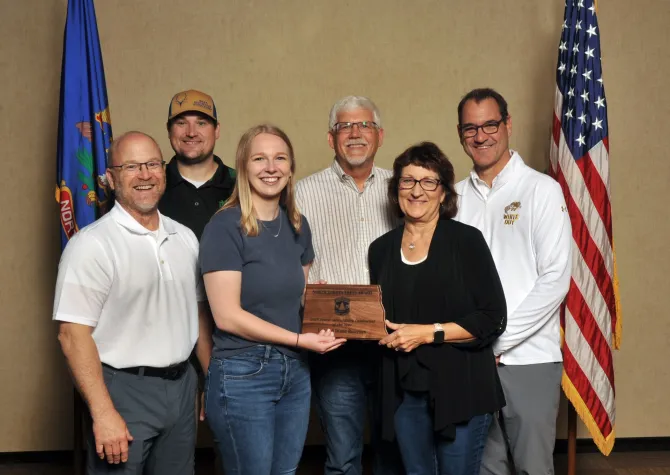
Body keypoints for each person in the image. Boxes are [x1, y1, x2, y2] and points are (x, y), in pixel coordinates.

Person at [54, 131, 209, 474]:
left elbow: (197, 315)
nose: (145, 174)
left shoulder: (184, 238)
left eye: (153, 164)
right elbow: (71, 335)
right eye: (131, 166)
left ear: (163, 171)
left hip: (182, 388)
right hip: (122, 392)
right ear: (110, 178)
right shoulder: (91, 245)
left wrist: (210, 379)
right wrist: (103, 412)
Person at [199, 124, 347, 475]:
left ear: (290, 167)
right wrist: (299, 339)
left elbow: (297, 301)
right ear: (244, 166)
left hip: (295, 372)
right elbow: (226, 317)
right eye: (259, 158)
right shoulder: (224, 227)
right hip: (241, 372)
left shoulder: (298, 224)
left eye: (280, 158)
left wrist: (319, 302)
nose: (271, 167)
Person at [368, 141, 507, 475]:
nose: (417, 191)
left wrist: (429, 334)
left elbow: (492, 317)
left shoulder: (466, 241)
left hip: (461, 390)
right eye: (408, 181)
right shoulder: (381, 250)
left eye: (428, 182)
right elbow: (380, 318)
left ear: (444, 193)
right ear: (396, 189)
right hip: (404, 394)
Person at [454, 88, 572, 475]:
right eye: (471, 128)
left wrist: (498, 340)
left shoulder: (540, 189)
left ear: (507, 124)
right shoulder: (452, 199)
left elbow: (555, 278)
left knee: (532, 468)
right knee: (484, 467)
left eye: (490, 124)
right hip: (471, 361)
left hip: (529, 359)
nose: (481, 135)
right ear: (460, 134)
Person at [296, 96, 401, 475]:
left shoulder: (402, 187)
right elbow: (292, 263)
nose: (355, 134)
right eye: (345, 126)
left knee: (396, 454)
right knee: (343, 460)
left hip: (395, 343)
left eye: (364, 125)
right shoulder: (303, 192)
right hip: (335, 345)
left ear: (380, 135)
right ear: (330, 138)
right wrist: (306, 286)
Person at [159, 89, 236, 240]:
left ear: (217, 130)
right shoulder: (153, 185)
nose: (191, 132)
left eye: (201, 123)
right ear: (169, 130)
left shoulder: (242, 185)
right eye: (181, 123)